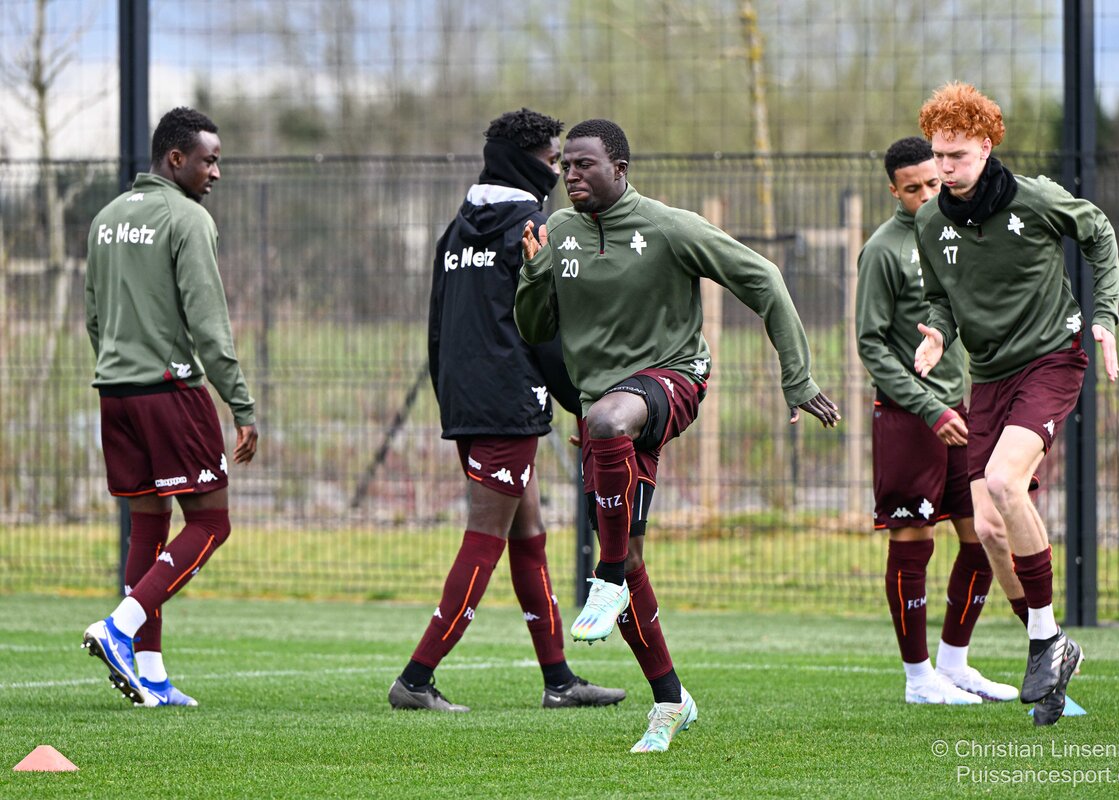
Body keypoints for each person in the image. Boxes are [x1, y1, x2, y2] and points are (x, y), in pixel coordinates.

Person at [515, 119, 840, 752]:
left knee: (608, 435)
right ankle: (670, 700)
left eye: (584, 164)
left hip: (673, 378)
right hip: (603, 405)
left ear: (620, 169)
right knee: (632, 550)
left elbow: (765, 280)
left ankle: (605, 578)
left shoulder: (669, 227)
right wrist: (533, 273)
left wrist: (797, 378)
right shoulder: (558, 232)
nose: (570, 174)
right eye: (565, 166)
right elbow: (535, 329)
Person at [388, 109, 625, 713]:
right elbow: (546, 332)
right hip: (508, 404)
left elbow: (436, 326)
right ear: (526, 162)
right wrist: (581, 402)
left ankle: (559, 681)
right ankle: (415, 679)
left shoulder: (455, 229)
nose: (559, 172)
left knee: (529, 536)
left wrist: (451, 398)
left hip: (469, 403)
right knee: (484, 539)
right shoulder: (532, 227)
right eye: (552, 161)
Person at [912, 82, 1119, 725]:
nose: (945, 167)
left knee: (1005, 482)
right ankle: (1049, 646)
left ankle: (1044, 646)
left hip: (1051, 360)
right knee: (989, 529)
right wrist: (938, 333)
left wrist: (1105, 315)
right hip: (989, 376)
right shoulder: (930, 221)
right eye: (938, 155)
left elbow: (1099, 232)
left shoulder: (1035, 199)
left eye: (957, 155)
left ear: (986, 145)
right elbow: (941, 298)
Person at [82, 107, 258, 707]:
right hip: (169, 391)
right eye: (209, 160)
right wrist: (240, 405)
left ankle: (150, 672)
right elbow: (209, 325)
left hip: (115, 393)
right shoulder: (187, 219)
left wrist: (117, 368)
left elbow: (94, 316)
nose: (217, 172)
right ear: (175, 158)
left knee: (150, 524)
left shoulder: (106, 219)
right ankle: (120, 627)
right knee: (211, 523)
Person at [856, 136, 1019, 706]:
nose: (927, 195)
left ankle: (954, 663)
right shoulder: (882, 250)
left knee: (984, 536)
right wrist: (930, 407)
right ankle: (918, 678)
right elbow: (870, 345)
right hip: (909, 417)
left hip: (962, 410)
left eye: (933, 182)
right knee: (913, 542)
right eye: (913, 188)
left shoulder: (956, 233)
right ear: (893, 190)